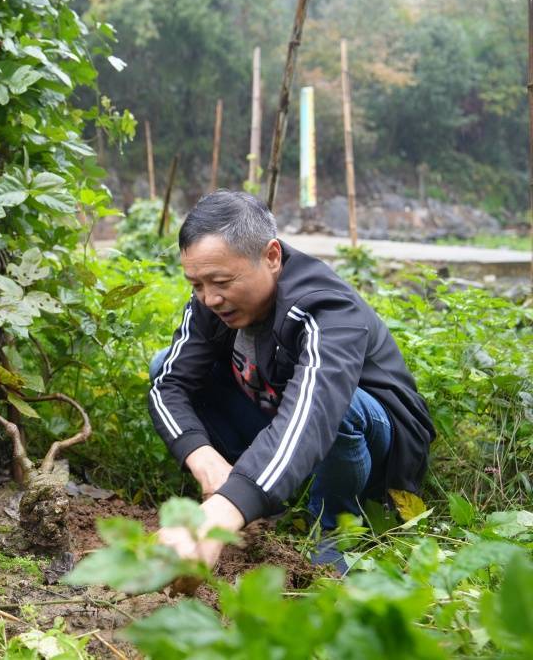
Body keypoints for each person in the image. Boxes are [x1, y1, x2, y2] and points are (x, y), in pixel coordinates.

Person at [147, 190, 434, 572]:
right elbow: (168, 385)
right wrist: (205, 459)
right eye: (196, 285)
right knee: (162, 364)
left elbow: (314, 413)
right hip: (281, 422)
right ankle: (262, 492)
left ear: (271, 257)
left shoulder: (326, 307)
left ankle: (335, 531)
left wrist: (222, 512)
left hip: (369, 444)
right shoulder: (210, 303)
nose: (210, 299)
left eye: (221, 281)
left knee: (342, 407)